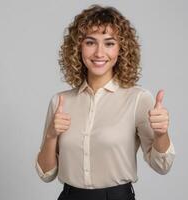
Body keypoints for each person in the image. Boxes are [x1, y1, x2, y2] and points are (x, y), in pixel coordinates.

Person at [35, 4, 175, 200]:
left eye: (109, 43)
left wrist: (162, 134)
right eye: (91, 42)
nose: (99, 53)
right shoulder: (61, 101)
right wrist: (51, 135)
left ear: (121, 49)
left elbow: (162, 166)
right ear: (78, 47)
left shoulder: (138, 99)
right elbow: (46, 174)